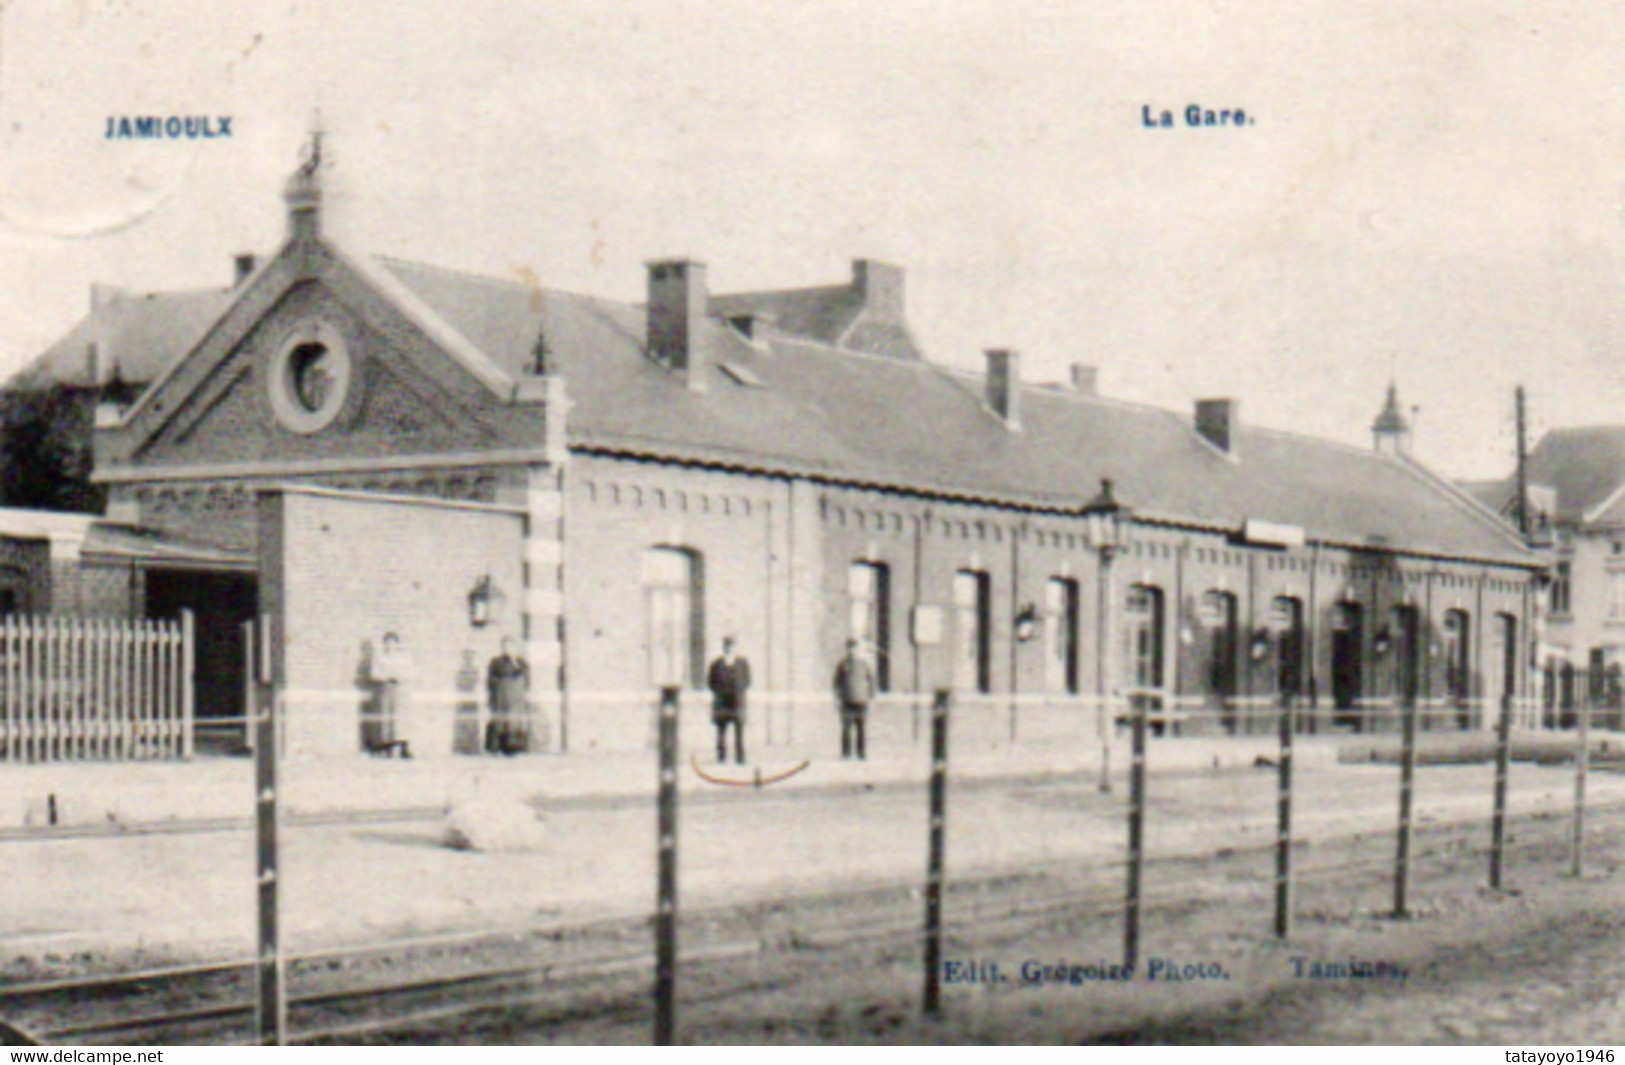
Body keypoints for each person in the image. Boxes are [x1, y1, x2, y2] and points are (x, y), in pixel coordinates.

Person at [368, 632, 414, 757]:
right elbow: (374, 673)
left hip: (400, 689)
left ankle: (403, 747)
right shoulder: (380, 658)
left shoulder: (403, 658)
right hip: (386, 689)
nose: (390, 646)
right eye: (387, 643)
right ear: (384, 645)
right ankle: (386, 746)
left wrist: (400, 676)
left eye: (393, 643)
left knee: (401, 718)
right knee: (387, 717)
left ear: (397, 645)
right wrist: (386, 677)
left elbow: (410, 672)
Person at [706, 636, 751, 764]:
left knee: (739, 732)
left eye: (731, 646)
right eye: (727, 646)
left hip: (737, 702)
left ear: (735, 648)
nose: (729, 649)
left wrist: (739, 691)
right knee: (721, 731)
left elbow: (747, 680)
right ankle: (721, 757)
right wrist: (720, 692)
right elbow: (711, 682)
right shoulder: (716, 664)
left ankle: (740, 757)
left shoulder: (743, 663)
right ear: (723, 647)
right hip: (722, 702)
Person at [833, 638, 877, 760]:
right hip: (846, 700)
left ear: (858, 649)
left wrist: (871, 696)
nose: (852, 650)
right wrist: (837, 699)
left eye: (855, 647)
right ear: (847, 649)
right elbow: (837, 682)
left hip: (862, 700)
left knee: (861, 728)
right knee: (846, 728)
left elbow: (872, 680)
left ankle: (861, 753)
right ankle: (846, 754)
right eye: (850, 647)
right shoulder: (843, 664)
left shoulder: (864, 664)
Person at [485, 637, 529, 755]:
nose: (508, 649)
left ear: (514, 648)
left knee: (513, 720)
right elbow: (490, 679)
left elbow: (524, 674)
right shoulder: (496, 661)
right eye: (505, 647)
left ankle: (512, 748)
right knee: (500, 720)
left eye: (510, 646)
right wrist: (494, 692)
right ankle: (496, 747)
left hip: (515, 697)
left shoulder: (520, 661)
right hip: (501, 696)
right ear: (502, 648)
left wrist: (514, 661)